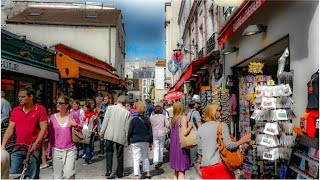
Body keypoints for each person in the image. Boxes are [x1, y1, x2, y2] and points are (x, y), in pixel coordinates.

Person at [1, 87, 47, 179]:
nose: (20, 99)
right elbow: (10, 128)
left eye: (23, 96)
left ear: (31, 97)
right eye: (19, 97)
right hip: (18, 148)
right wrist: (3, 145)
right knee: (13, 174)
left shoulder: (40, 109)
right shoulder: (16, 110)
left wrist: (36, 143)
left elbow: (43, 128)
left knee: (32, 176)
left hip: (33, 149)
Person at [197, 103, 251, 179]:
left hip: (205, 167)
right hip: (220, 166)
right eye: (218, 110)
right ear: (213, 112)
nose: (221, 112)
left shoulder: (200, 128)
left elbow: (200, 150)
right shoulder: (222, 125)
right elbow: (229, 145)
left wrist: (199, 163)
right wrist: (242, 140)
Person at [47, 96, 83, 179]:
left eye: (60, 103)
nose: (58, 104)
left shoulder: (72, 116)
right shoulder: (52, 117)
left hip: (70, 149)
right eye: (57, 103)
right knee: (57, 176)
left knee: (69, 174)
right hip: (56, 150)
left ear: (66, 105)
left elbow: (80, 127)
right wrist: (49, 149)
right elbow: (51, 135)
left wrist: (76, 125)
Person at [99, 95, 131, 178]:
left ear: (117, 101)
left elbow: (105, 121)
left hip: (109, 133)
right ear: (124, 102)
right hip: (120, 135)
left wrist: (101, 132)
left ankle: (108, 170)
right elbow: (127, 127)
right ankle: (119, 172)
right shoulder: (127, 112)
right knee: (120, 154)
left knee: (109, 152)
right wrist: (127, 138)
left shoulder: (110, 108)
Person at [127, 101, 153, 179]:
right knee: (145, 156)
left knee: (136, 158)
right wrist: (151, 141)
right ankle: (148, 172)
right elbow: (150, 132)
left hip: (135, 140)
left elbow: (130, 131)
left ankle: (136, 175)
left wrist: (128, 139)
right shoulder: (147, 120)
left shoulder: (133, 120)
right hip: (145, 140)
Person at [170, 102, 193, 179]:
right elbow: (185, 132)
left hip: (174, 146)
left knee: (176, 170)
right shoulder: (183, 117)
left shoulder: (173, 119)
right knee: (181, 170)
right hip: (181, 146)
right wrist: (190, 126)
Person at [150, 105, 169, 169]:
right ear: (161, 111)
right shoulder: (163, 117)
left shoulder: (152, 117)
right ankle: (160, 160)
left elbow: (150, 125)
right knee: (161, 146)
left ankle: (155, 160)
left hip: (155, 133)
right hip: (162, 133)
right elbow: (168, 125)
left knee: (156, 147)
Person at [186, 100, 202, 167]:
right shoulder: (196, 113)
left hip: (191, 131)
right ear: (194, 105)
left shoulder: (189, 112)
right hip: (196, 131)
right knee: (198, 147)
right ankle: (195, 161)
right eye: (196, 104)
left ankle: (192, 161)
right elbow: (198, 123)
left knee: (192, 147)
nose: (198, 105)